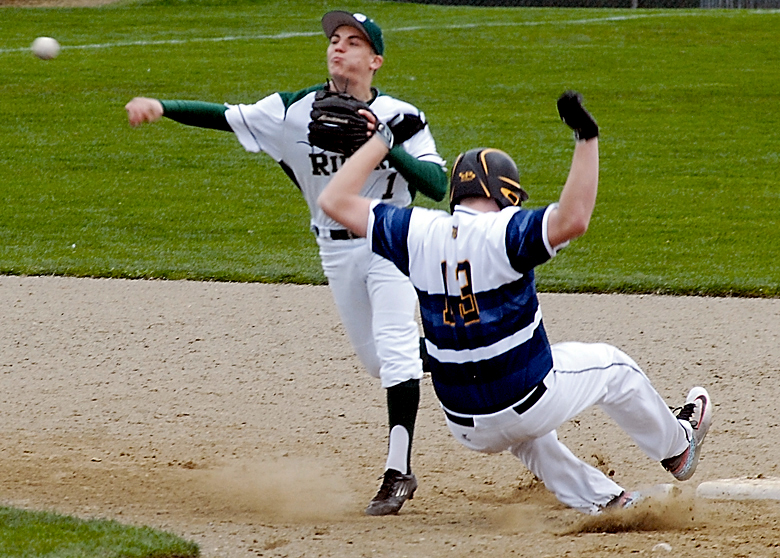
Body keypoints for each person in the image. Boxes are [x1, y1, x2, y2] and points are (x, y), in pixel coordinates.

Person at [317, 91, 713, 514]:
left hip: (466, 427)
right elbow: (573, 218)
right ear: (504, 194)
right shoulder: (503, 232)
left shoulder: (416, 231)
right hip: (528, 400)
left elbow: (333, 202)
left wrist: (381, 140)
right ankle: (677, 446)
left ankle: (608, 500)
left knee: (525, 435)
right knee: (613, 368)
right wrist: (587, 137)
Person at [125, 11, 448, 516]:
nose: (338, 48)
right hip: (335, 249)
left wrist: (384, 145)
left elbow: (436, 184)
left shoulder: (402, 115)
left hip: (392, 238)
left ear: (375, 60)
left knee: (397, 347)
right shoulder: (292, 110)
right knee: (380, 363)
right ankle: (466, 351)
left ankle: (397, 470)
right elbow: (224, 115)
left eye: (353, 42)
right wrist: (161, 106)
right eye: (334, 40)